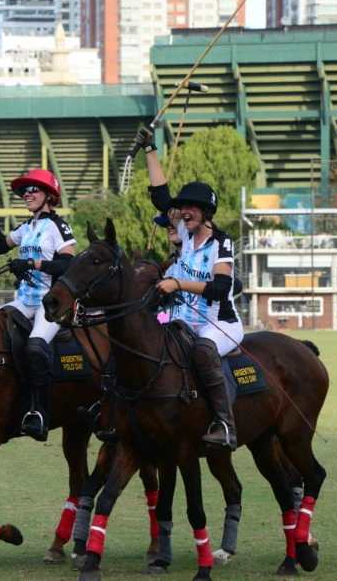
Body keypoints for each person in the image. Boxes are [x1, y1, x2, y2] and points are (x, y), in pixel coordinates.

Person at [134, 127, 241, 451]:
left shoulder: (221, 242)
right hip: (183, 322)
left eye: (192, 208)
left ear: (206, 212)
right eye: (183, 209)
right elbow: (160, 195)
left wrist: (179, 283)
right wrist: (150, 149)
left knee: (203, 351)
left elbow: (221, 288)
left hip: (219, 324)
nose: (184, 212)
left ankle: (225, 425)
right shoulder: (184, 231)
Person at [0, 169, 76, 441]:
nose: (27, 194)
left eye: (34, 189)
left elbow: (69, 263)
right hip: (23, 301)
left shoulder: (57, 226)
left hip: (49, 303)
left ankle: (39, 413)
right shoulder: (26, 228)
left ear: (49, 196)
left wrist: (32, 263)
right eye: (24, 190)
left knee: (34, 348)